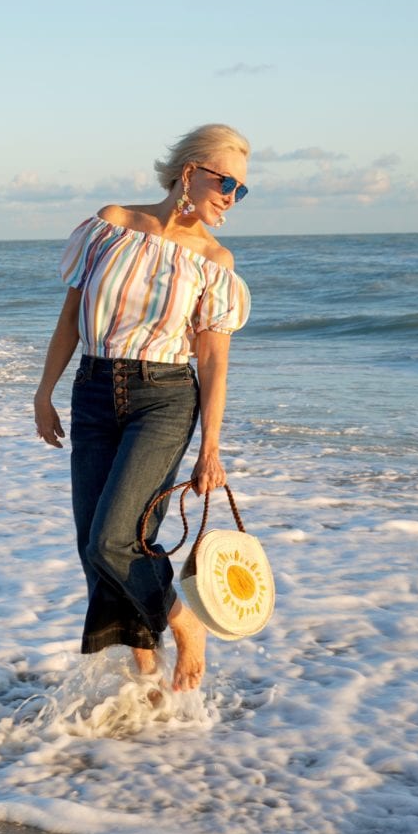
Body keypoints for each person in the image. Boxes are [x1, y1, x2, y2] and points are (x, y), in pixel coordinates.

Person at [33, 124, 252, 693]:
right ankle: (147, 681)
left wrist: (211, 449)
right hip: (94, 390)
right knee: (94, 548)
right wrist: (44, 391)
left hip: (165, 398)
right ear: (190, 172)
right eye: (225, 180)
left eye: (241, 189)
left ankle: (184, 623)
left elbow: (215, 365)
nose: (231, 195)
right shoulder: (111, 226)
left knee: (115, 538)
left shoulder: (214, 261)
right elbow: (70, 317)